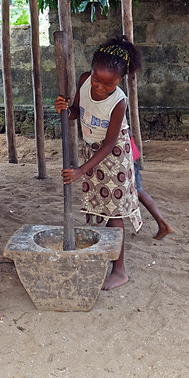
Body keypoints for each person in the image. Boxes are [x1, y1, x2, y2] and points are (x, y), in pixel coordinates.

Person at [54, 35, 143, 290]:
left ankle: (120, 270)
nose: (100, 88)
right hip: (92, 151)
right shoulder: (83, 81)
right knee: (102, 208)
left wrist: (81, 170)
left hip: (114, 156)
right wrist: (64, 107)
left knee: (115, 214)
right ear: (90, 72)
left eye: (109, 84)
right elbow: (74, 113)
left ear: (120, 81)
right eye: (97, 80)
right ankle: (107, 257)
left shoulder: (119, 102)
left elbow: (109, 144)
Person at [130, 137, 174, 240]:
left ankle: (163, 224)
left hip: (126, 157)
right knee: (138, 191)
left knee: (138, 191)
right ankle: (163, 225)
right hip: (128, 155)